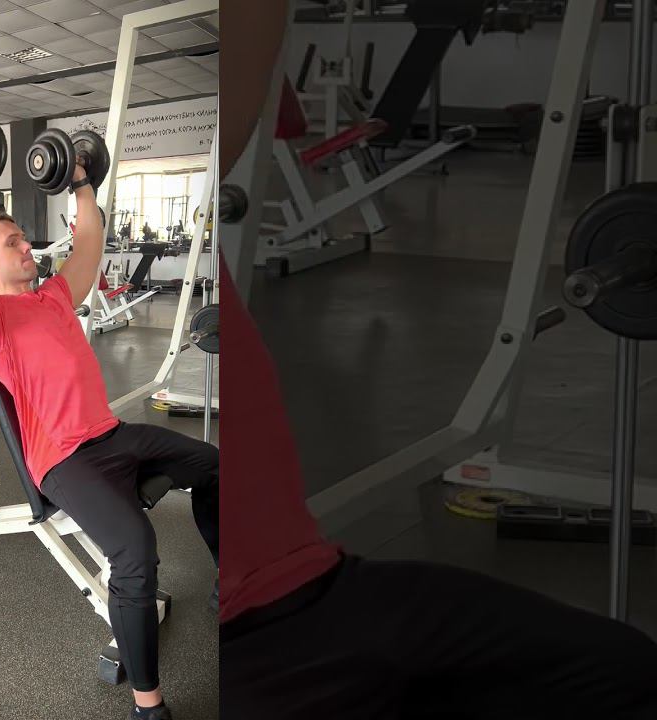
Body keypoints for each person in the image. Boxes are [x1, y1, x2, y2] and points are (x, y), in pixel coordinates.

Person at [218, 3, 657, 718]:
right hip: (244, 645)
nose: (30, 248)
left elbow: (242, 64)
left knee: (626, 670)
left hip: (329, 590)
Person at [0, 161, 219, 719]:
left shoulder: (55, 296)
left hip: (114, 436)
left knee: (214, 464)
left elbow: (90, 240)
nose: (28, 247)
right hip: (65, 460)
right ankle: (147, 705)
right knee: (135, 550)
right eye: (13, 242)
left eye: (24, 238)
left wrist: (82, 182)